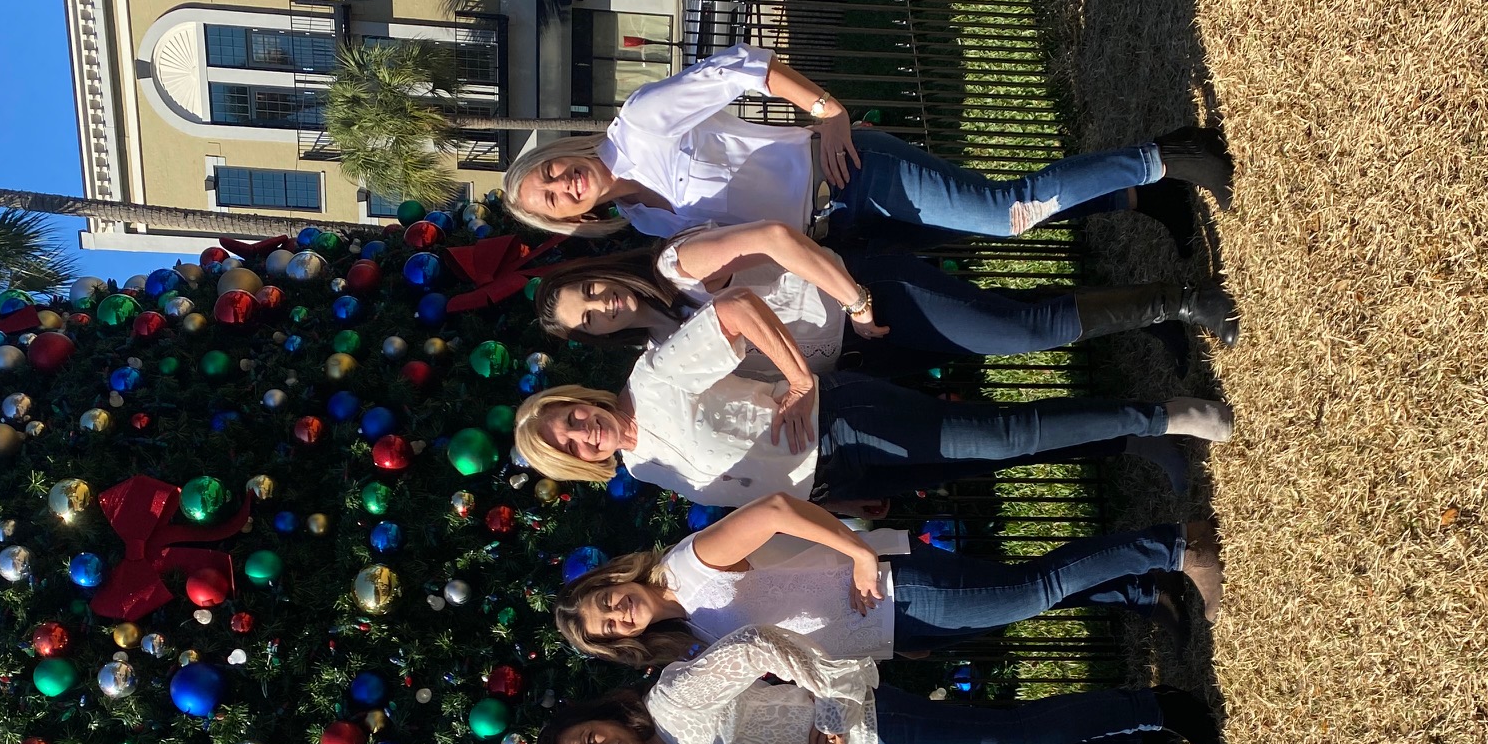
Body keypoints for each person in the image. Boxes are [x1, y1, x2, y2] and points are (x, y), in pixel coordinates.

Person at [512, 289, 1228, 508]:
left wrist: (795, 380)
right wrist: (843, 504)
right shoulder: (644, 473)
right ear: (579, 463)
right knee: (992, 455)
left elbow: (734, 311)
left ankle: (1164, 413)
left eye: (568, 417)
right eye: (569, 445)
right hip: (839, 478)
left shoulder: (651, 378)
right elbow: (753, 495)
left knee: (1004, 434)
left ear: (578, 397)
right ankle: (1143, 429)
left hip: (843, 422)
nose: (583, 432)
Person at [501, 44, 1232, 255]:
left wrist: (828, 110)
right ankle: (1149, 194)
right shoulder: (649, 225)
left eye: (551, 171)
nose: (564, 183)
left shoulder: (642, 124)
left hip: (847, 168)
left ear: (558, 152)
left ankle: (1169, 153)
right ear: (567, 219)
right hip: (841, 227)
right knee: (988, 228)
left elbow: (740, 67)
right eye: (553, 198)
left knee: (1005, 211)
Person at [534, 624, 1220, 744]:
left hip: (869, 727)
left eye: (589, 741)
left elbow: (755, 646)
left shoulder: (671, 704)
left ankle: (1157, 707)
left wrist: (830, 705)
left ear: (601, 719)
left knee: (1012, 738)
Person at [552, 491, 1216, 666]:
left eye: (605, 601)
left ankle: (1176, 546)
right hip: (887, 624)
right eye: (609, 625)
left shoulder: (687, 568)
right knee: (1021, 596)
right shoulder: (691, 631)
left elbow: (776, 511)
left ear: (613, 579)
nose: (617, 612)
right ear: (622, 641)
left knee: (1031, 589)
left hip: (892, 586)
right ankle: (1140, 586)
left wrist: (857, 552)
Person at [530, 219, 1239, 369]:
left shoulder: (678, 266)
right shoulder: (662, 349)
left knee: (1018, 332)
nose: (602, 306)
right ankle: (1148, 314)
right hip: (858, 349)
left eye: (591, 290)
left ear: (605, 272)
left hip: (865, 296)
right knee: (1009, 321)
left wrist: (861, 302)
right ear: (594, 337)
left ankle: (1177, 299)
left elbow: (778, 240)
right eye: (588, 319)